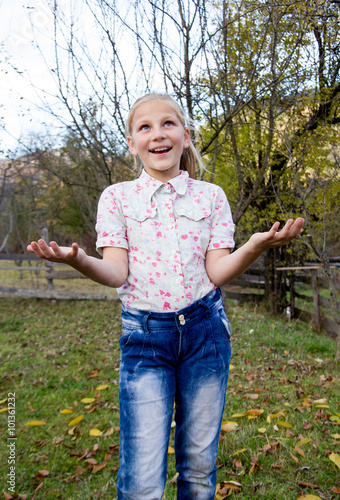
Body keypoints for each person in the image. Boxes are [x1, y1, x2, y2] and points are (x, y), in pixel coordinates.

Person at [27, 93, 304, 500]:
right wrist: (80, 260)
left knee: (197, 470)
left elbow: (217, 272)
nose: (158, 134)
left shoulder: (211, 197)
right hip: (145, 339)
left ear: (186, 136)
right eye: (145, 127)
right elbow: (116, 272)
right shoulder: (117, 198)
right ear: (131, 142)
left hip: (205, 334)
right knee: (141, 480)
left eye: (168, 124)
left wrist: (255, 246)